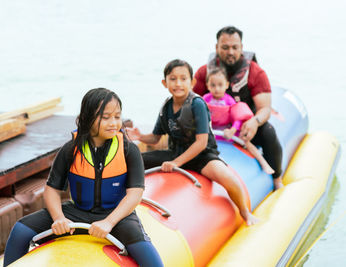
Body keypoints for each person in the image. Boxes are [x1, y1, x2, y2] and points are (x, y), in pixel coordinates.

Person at [4, 88, 163, 267]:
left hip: (116, 215)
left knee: (152, 261)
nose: (113, 122)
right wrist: (59, 218)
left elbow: (135, 194)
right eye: (106, 117)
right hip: (77, 212)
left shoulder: (128, 150)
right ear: (88, 117)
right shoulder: (71, 149)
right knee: (21, 229)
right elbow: (52, 190)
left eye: (117, 116)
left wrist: (108, 222)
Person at [127, 59, 258, 226]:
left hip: (202, 157)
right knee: (134, 161)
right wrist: (140, 136)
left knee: (227, 177)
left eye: (183, 79)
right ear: (164, 83)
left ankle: (245, 213)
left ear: (192, 82)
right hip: (175, 152)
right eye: (173, 79)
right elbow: (155, 138)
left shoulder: (197, 104)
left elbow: (201, 142)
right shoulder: (166, 106)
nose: (178, 83)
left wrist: (176, 163)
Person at [193, 25, 284, 189]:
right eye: (225, 47)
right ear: (216, 47)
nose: (230, 52)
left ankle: (277, 178)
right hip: (213, 129)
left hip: (244, 127)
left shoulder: (255, 73)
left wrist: (255, 122)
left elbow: (265, 108)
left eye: (235, 47)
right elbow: (190, 103)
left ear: (241, 48)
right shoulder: (204, 72)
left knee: (268, 132)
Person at [203, 67, 274, 175]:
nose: (216, 89)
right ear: (207, 85)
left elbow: (238, 117)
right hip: (211, 131)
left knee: (247, 142)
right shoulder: (205, 99)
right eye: (213, 85)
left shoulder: (229, 101)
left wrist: (232, 130)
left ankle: (264, 162)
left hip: (228, 131)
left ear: (226, 85)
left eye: (220, 85)